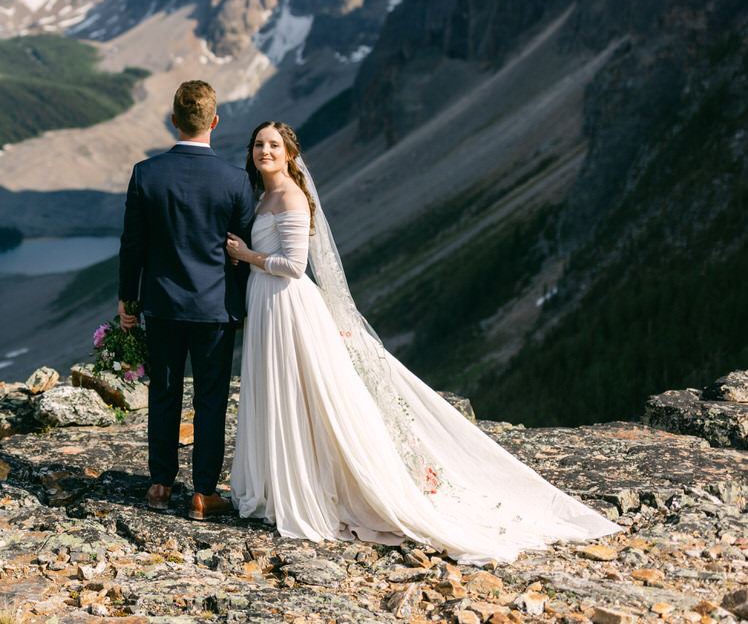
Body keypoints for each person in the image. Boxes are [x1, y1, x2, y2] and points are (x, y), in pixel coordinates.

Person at [224, 120, 618, 563]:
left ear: (290, 153)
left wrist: (247, 256)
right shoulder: (265, 196)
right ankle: (284, 483)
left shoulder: (291, 197)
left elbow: (295, 266)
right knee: (281, 396)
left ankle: (308, 487)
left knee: (299, 397)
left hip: (287, 306)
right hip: (267, 304)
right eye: (259, 144)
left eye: (274, 145)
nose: (264, 151)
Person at [118, 80, 255, 520]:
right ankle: (202, 493)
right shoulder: (236, 181)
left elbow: (132, 245)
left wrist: (128, 300)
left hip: (161, 305)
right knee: (211, 400)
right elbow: (244, 249)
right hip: (215, 309)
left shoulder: (146, 173)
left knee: (164, 393)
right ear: (214, 122)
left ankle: (160, 485)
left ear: (173, 120)